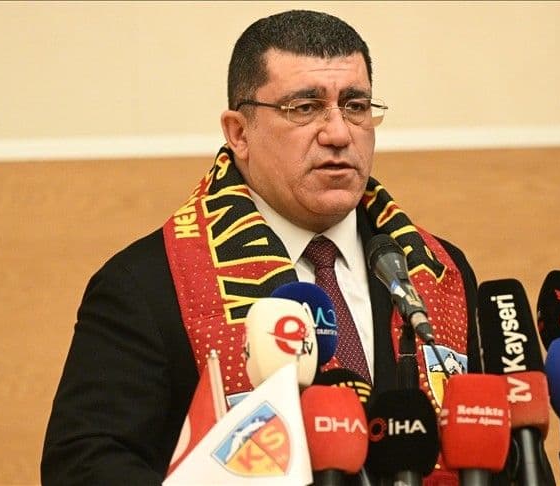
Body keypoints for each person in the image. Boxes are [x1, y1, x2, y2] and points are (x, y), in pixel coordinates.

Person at [42, 10, 482, 485]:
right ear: (239, 133)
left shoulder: (435, 272)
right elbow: (84, 466)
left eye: (355, 105)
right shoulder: (148, 286)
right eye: (305, 107)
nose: (339, 133)